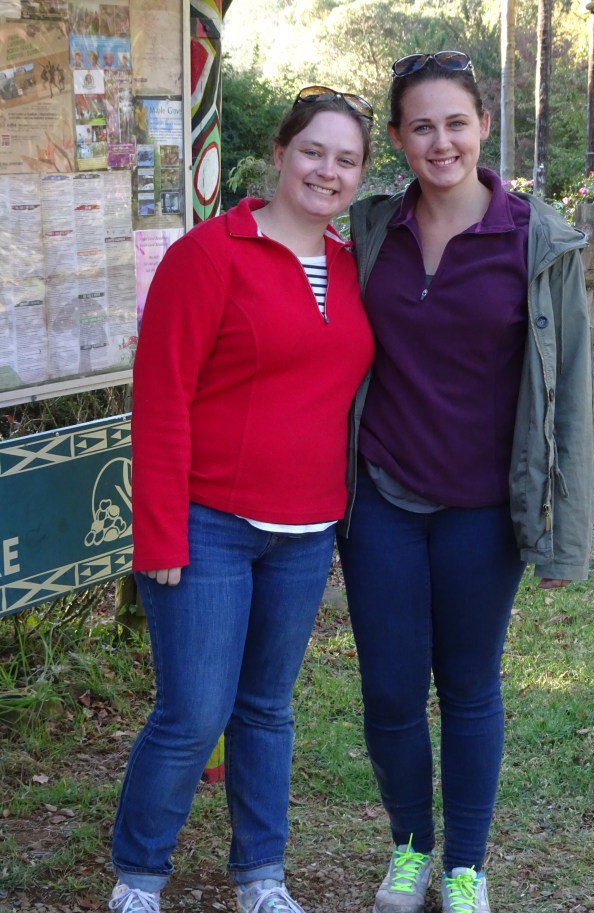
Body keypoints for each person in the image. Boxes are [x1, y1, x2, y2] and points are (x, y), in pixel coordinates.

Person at [337, 51, 594, 913]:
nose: (439, 140)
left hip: (483, 510)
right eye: (420, 125)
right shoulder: (372, 229)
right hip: (382, 495)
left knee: (471, 684)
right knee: (388, 685)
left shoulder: (538, 241)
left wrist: (563, 535)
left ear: (483, 126)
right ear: (399, 140)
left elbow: (570, 399)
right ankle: (409, 849)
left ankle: (465, 866)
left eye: (455, 121)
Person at [108, 86, 375, 913]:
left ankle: (260, 877)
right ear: (279, 154)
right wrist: (159, 538)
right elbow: (159, 399)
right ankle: (139, 877)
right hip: (206, 523)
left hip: (306, 528)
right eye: (313, 151)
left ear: (361, 176)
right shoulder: (209, 254)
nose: (326, 170)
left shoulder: (348, 262)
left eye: (346, 159)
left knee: (265, 709)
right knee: (192, 713)